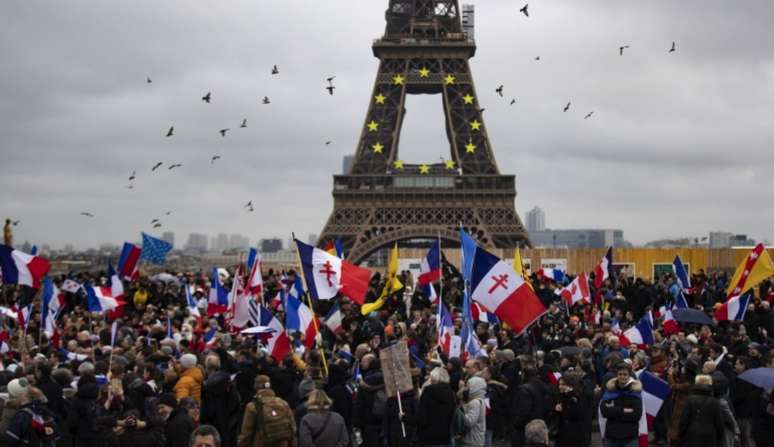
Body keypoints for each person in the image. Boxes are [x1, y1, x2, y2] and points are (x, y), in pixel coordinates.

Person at [237, 375, 296, 447]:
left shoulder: (252, 406)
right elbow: (292, 428)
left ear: (255, 387)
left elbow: (247, 434)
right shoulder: (283, 403)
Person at [410, 366, 456, 446]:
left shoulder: (428, 393)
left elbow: (421, 420)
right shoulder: (451, 393)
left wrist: (404, 418)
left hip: (427, 439)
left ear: (433, 379)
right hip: (444, 437)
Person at [599, 363, 643, 447]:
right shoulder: (610, 391)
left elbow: (637, 415)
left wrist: (614, 410)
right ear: (616, 375)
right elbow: (604, 411)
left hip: (630, 438)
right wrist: (623, 410)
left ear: (629, 376)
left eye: (625, 374)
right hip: (611, 437)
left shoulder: (634, 393)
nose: (622, 377)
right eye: (620, 374)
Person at [200, 354, 240, 447]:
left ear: (206, 367)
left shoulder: (206, 386)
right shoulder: (229, 381)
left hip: (211, 423)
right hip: (227, 422)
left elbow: (206, 410)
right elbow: (236, 401)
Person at [678, 375, 725, 447]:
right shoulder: (715, 402)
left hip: (691, 435)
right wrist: (718, 438)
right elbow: (719, 423)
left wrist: (681, 434)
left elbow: (684, 420)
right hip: (709, 437)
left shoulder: (690, 399)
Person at [554, 375, 587, 447]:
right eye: (559, 384)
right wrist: (557, 410)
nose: (560, 386)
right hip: (563, 433)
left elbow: (577, 413)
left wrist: (570, 395)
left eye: (563, 384)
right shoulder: (561, 396)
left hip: (574, 434)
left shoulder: (576, 397)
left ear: (570, 386)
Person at [460, 376, 487, 447]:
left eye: (468, 386)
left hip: (471, 440)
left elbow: (469, 421)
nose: (465, 389)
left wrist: (459, 412)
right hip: (476, 439)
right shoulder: (481, 400)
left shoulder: (475, 402)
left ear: (475, 388)